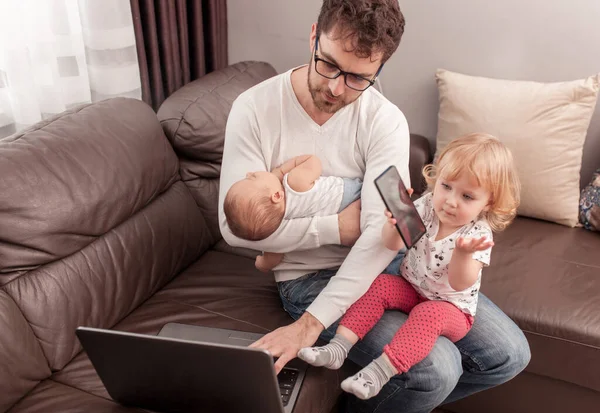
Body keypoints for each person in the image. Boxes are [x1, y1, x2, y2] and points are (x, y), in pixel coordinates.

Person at [218, 1, 531, 412]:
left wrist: (354, 233)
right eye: (328, 64)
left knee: (510, 354)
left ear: (380, 68)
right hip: (307, 274)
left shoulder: (387, 122)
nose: (335, 88)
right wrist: (338, 229)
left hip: (391, 267)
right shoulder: (254, 109)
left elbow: (394, 231)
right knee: (435, 370)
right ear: (314, 36)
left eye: (357, 78)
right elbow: (233, 225)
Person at [297, 133, 520, 401]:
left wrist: (462, 254)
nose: (451, 201)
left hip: (451, 309)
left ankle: (378, 374)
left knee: (428, 314)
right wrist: (392, 226)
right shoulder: (427, 205)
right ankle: (337, 348)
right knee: (379, 285)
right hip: (411, 286)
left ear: (489, 203)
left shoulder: (478, 235)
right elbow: (393, 244)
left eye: (467, 196)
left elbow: (461, 282)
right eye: (446, 186)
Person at [223, 154, 361, 272]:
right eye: (252, 178)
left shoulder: (280, 228)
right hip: (353, 196)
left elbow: (272, 260)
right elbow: (313, 161)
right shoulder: (294, 184)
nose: (249, 173)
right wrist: (280, 172)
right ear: (276, 196)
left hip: (348, 234)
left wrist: (262, 263)